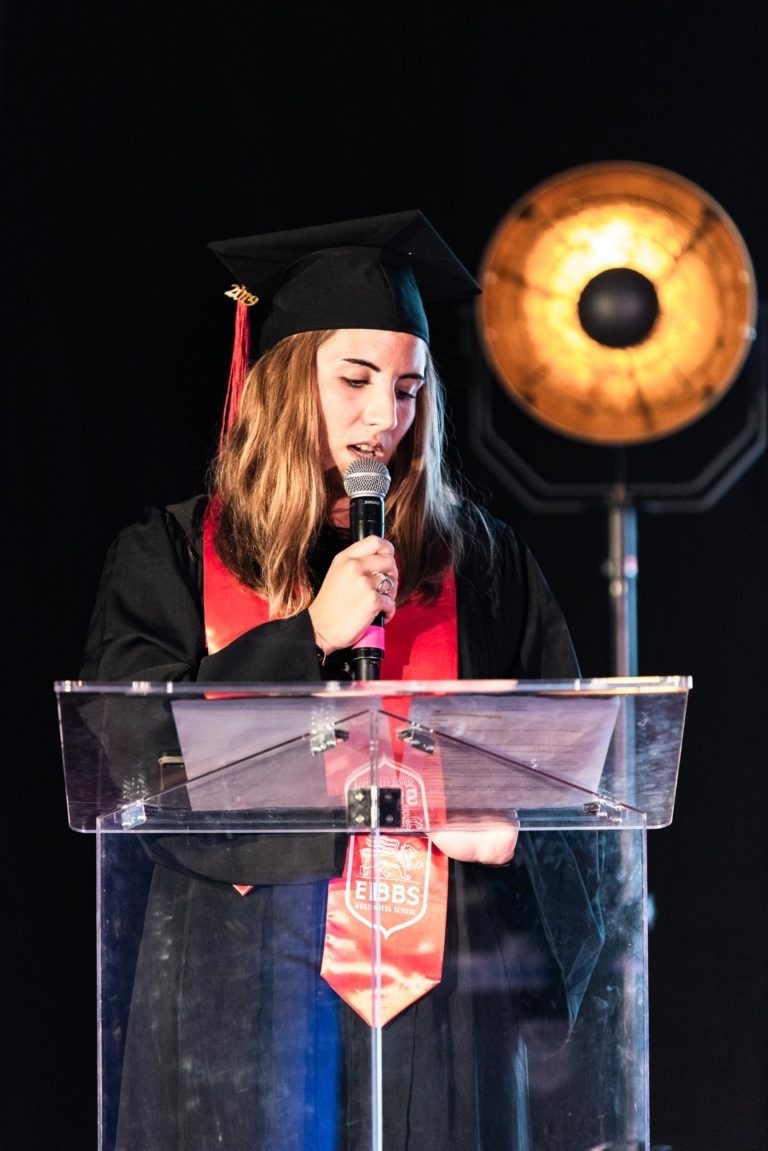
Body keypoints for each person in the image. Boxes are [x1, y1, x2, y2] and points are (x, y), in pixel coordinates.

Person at [80, 210, 605, 1150]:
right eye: (355, 380)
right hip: (238, 986)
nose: (384, 418)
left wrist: (515, 834)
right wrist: (308, 634)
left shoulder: (478, 569)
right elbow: (129, 761)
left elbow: (583, 783)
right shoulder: (169, 557)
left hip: (441, 1005)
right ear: (284, 384)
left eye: (408, 388)